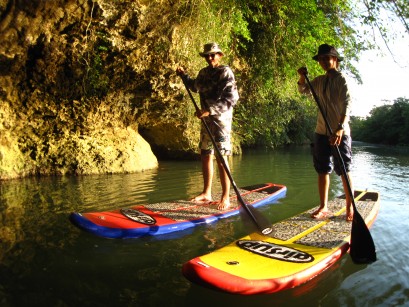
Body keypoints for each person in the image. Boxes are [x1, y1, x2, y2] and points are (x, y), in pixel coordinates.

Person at [176, 42, 239, 210]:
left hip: (221, 122)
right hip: (206, 121)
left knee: (221, 157)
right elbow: (195, 87)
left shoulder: (225, 72)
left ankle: (225, 196)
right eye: (207, 55)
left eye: (213, 55)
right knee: (206, 154)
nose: (210, 58)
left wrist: (209, 110)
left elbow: (232, 98)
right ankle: (207, 193)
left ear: (219, 55)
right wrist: (184, 76)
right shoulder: (203, 73)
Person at [297, 43, 354, 221]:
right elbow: (303, 90)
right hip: (321, 131)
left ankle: (350, 207)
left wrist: (340, 127)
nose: (322, 61)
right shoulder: (319, 80)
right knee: (322, 170)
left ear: (335, 60)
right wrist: (301, 77)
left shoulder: (342, 79)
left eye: (326, 58)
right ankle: (323, 207)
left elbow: (347, 105)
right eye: (320, 59)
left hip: (339, 133)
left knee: (344, 170)